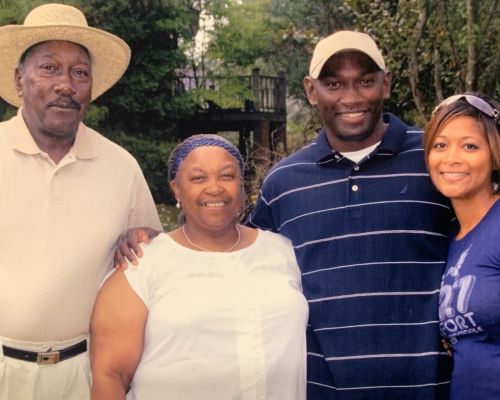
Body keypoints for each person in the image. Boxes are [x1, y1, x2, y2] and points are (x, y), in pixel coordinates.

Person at [116, 31, 454, 399]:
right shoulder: (285, 183)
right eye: (334, 83)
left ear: (386, 84)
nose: (351, 97)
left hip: (427, 386)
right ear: (311, 91)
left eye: (366, 81)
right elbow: (232, 256)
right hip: (322, 390)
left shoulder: (436, 162)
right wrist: (155, 245)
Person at [0, 4, 161, 400]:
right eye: (49, 68)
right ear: (20, 80)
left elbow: (153, 257)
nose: (65, 85)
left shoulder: (121, 167)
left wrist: (143, 240)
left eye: (79, 73)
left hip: (86, 375)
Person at [90, 134, 308, 400]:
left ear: (241, 185)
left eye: (227, 176)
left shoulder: (282, 251)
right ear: (176, 189)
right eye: (198, 178)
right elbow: (110, 375)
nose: (214, 188)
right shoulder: (141, 264)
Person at [424, 93, 500, 400]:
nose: (452, 158)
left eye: (470, 146)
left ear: (495, 154)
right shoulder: (451, 236)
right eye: (440, 145)